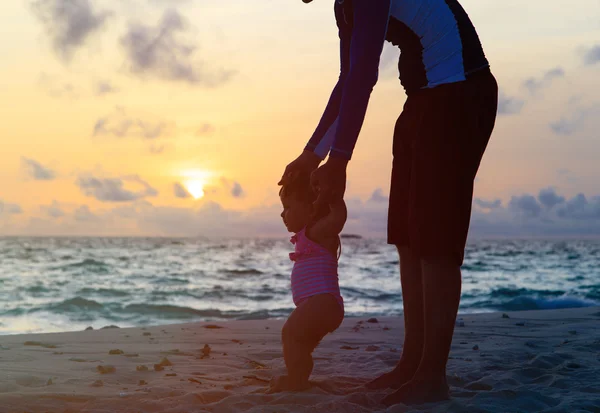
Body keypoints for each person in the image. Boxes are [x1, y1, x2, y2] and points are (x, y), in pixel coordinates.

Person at [278, 0, 499, 406]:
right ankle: (412, 364)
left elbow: (364, 75)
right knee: (407, 237)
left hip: (459, 95)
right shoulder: (343, 7)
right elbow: (348, 79)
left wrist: (340, 159)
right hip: (421, 101)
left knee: (435, 241)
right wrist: (312, 154)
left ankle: (432, 375)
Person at [270, 174, 347, 392]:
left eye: (288, 207)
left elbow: (337, 220)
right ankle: (300, 379)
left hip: (322, 302)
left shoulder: (317, 232)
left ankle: (296, 381)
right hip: (318, 304)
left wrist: (332, 198)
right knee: (299, 345)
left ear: (311, 208)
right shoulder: (306, 235)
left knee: (289, 333)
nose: (282, 214)